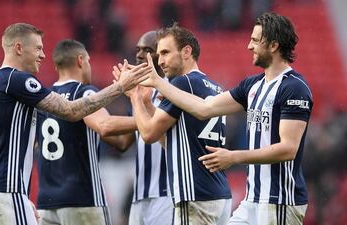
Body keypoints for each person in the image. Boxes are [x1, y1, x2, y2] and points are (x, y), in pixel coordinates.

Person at [141, 12, 312, 225]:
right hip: (252, 200)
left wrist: (234, 157)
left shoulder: (294, 88)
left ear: (274, 45)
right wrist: (159, 84)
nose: (249, 46)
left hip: (280, 200)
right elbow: (204, 108)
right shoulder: (252, 85)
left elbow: (288, 149)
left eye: (255, 41)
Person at [0, 22, 151, 225]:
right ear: (19, 48)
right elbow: (72, 111)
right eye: (38, 48)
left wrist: (19, 197)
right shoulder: (18, 80)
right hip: (26, 192)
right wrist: (121, 87)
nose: (42, 55)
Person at [124, 24, 232, 225]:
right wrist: (148, 103)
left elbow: (148, 134)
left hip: (195, 193)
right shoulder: (214, 87)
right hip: (220, 193)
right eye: (158, 54)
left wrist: (135, 98)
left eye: (165, 52)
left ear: (186, 52)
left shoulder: (181, 84)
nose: (160, 60)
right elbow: (171, 141)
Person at [36, 39, 136, 225]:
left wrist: (136, 109)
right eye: (89, 61)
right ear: (81, 60)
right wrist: (147, 120)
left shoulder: (44, 99)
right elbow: (104, 125)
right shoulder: (83, 92)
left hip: (46, 201)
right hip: (81, 198)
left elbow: (121, 143)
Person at [127, 31, 173, 225]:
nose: (139, 55)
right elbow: (123, 142)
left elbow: (159, 134)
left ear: (161, 55)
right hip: (140, 193)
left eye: (148, 50)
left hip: (166, 193)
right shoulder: (139, 91)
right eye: (138, 49)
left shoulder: (173, 90)